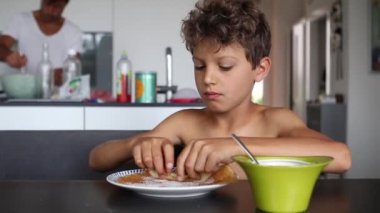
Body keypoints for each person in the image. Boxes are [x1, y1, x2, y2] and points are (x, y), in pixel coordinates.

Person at [89, 0, 351, 180]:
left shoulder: (276, 121)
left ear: (260, 69)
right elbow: (96, 159)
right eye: (199, 66)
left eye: (225, 66)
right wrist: (136, 143)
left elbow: (341, 156)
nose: (208, 79)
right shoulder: (186, 122)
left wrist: (232, 147)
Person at [0, 0, 82, 75]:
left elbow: (74, 68)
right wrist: (8, 55)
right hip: (25, 88)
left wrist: (64, 75)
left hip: (58, 90)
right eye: (50, 4)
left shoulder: (73, 31)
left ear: (65, 4)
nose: (53, 9)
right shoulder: (22, 20)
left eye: (58, 6)